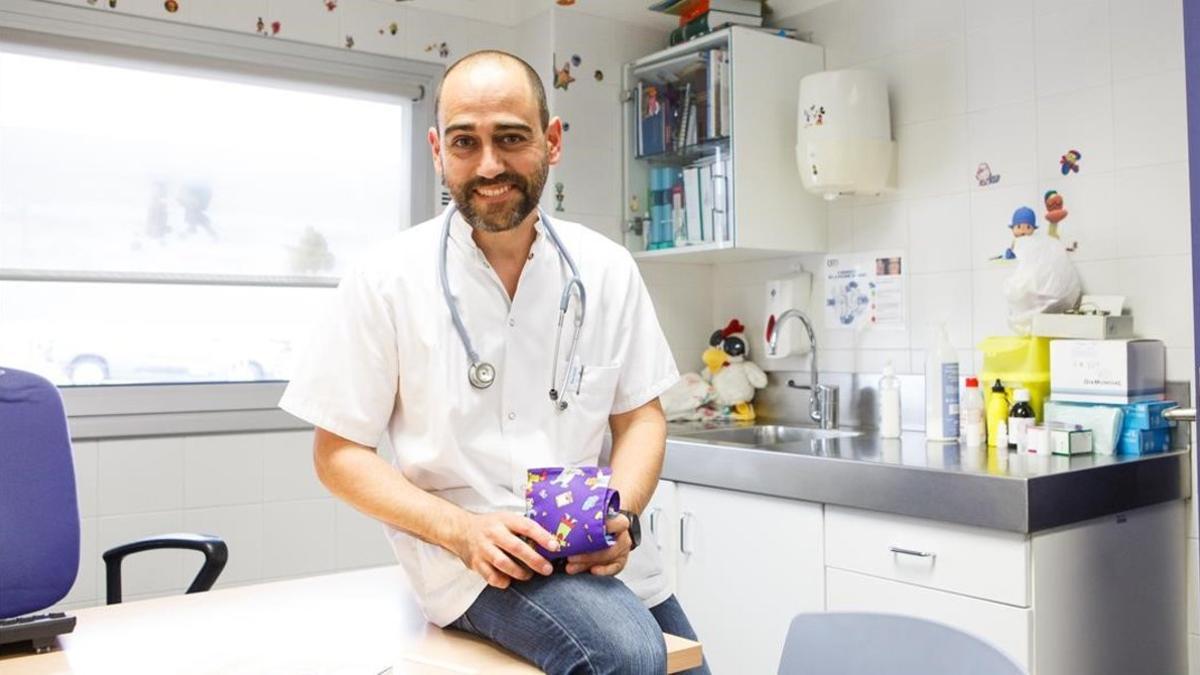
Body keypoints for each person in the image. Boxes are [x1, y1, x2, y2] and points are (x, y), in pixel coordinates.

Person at [279, 50, 709, 674]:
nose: (489, 165)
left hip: (598, 554)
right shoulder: (387, 278)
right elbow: (338, 455)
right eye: (465, 142)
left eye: (510, 138)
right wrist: (461, 531)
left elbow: (640, 417)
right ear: (437, 149)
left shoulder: (606, 268)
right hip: (474, 563)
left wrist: (623, 510)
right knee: (626, 655)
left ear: (552, 140)